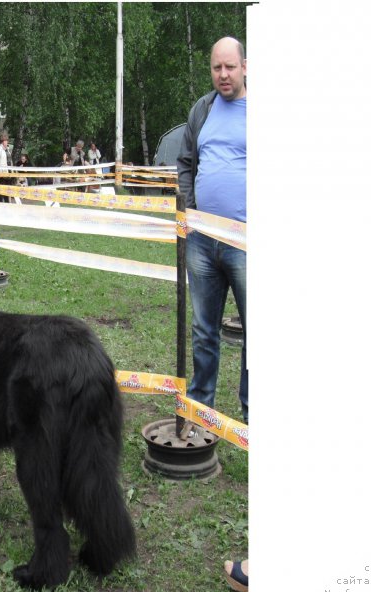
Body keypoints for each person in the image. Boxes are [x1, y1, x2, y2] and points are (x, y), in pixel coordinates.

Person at [177, 35, 247, 424]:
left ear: (245, 67)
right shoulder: (202, 109)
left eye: (230, 67)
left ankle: (250, 415)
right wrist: (189, 209)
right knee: (204, 332)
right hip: (204, 241)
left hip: (248, 242)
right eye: (217, 67)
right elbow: (186, 162)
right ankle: (202, 412)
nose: (223, 75)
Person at [0, 132, 12, 202]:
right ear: (2, 142)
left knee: (6, 190)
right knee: (0, 191)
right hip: (1, 175)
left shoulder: (6, 150)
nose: (7, 142)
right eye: (6, 141)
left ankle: (7, 203)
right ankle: (0, 204)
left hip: (6, 173)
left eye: (7, 141)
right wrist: (0, 173)